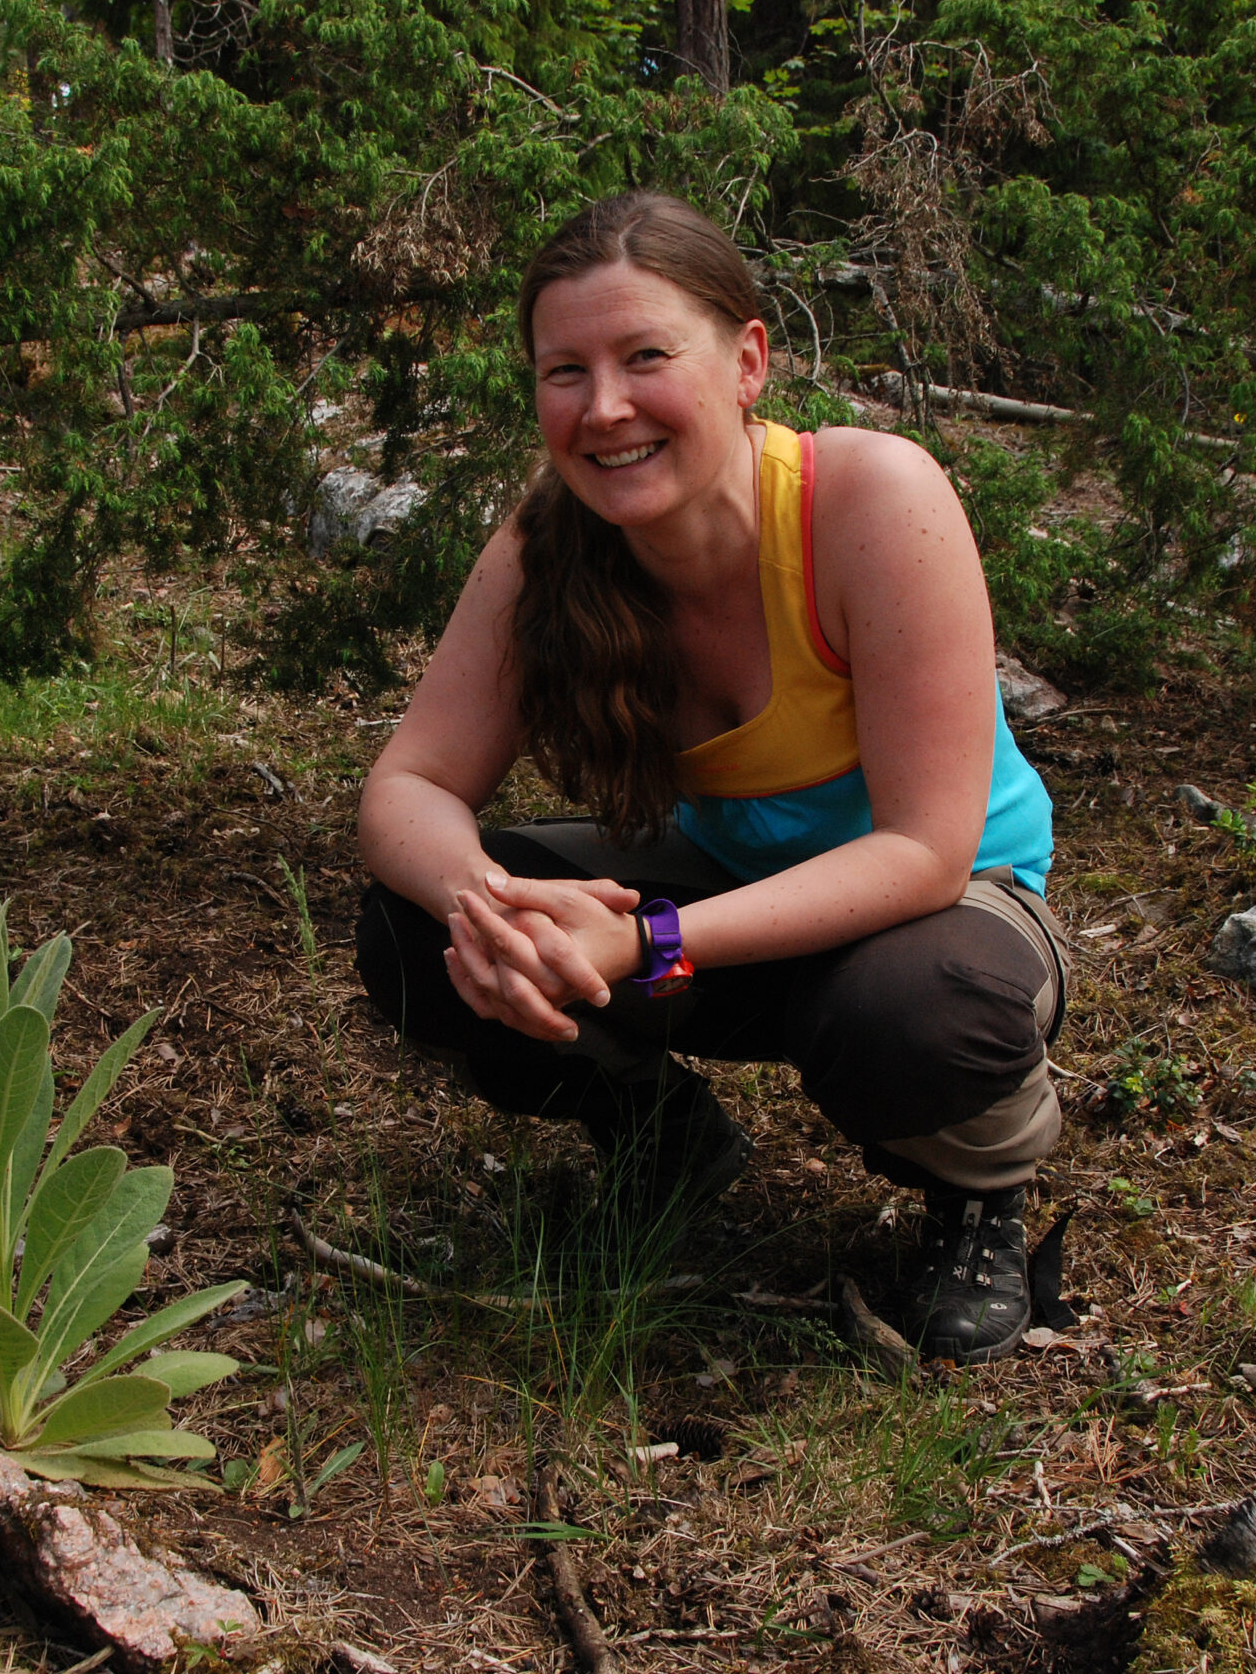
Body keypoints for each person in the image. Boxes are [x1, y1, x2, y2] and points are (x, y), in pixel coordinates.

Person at [353, 191, 1068, 1363]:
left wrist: (645, 943)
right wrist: (494, 907)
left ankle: (977, 1187)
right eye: (563, 372)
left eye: (645, 357)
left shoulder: (870, 500)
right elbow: (408, 786)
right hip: (726, 899)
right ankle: (659, 1134)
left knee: (911, 1016)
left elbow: (926, 849)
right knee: (412, 931)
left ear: (746, 362)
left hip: (941, 913)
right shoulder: (548, 547)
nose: (605, 408)